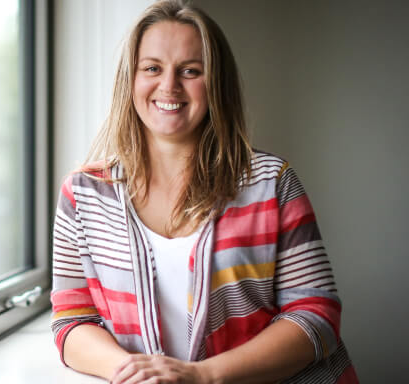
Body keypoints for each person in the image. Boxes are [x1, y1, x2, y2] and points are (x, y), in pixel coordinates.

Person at [49, 1, 358, 383]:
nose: (169, 86)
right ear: (130, 79)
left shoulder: (271, 182)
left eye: (190, 71)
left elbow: (317, 314)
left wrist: (203, 376)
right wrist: (135, 373)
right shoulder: (83, 194)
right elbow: (72, 320)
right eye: (152, 68)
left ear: (216, 83)